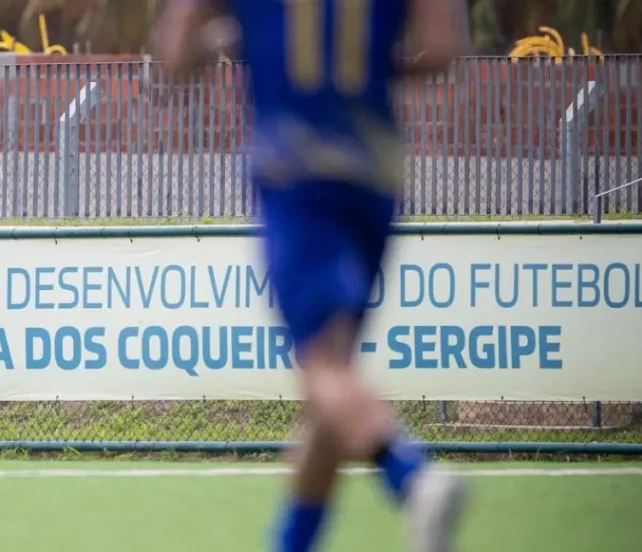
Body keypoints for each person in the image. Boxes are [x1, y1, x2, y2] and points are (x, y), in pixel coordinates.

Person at [150, 1, 467, 551]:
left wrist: (229, 44)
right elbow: (442, 50)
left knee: (321, 368)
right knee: (332, 379)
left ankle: (411, 477)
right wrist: (370, 66)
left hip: (295, 171)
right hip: (374, 173)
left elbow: (172, 55)